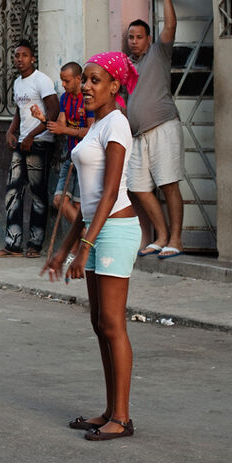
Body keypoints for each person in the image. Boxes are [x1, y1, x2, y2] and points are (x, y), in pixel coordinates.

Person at [42, 52, 141, 441]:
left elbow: (111, 193)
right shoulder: (97, 124)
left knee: (113, 324)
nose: (85, 86)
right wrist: (64, 250)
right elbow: (87, 200)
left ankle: (123, 417)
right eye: (84, 79)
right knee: (99, 324)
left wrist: (84, 248)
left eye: (95, 80)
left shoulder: (116, 124)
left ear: (114, 86)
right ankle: (110, 410)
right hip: (97, 229)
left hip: (115, 231)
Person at [126, 0, 185, 260]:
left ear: (149, 39)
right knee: (137, 187)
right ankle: (160, 237)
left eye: (139, 37)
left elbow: (171, 25)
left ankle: (176, 239)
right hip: (138, 136)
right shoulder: (127, 66)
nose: (134, 41)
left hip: (163, 127)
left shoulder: (159, 53)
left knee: (169, 183)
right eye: (131, 37)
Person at [0, 40, 59, 258]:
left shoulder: (42, 80)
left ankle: (35, 245)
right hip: (22, 142)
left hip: (40, 142)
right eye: (16, 55)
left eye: (24, 55)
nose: (19, 59)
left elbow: (53, 111)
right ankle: (13, 245)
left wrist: (32, 135)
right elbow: (19, 113)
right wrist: (11, 132)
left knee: (38, 194)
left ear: (33, 59)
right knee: (13, 192)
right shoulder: (18, 83)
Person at [32, 61, 95, 230]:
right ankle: (85, 236)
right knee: (59, 200)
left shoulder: (88, 99)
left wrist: (65, 129)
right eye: (62, 81)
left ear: (78, 79)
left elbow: (91, 131)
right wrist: (43, 119)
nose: (63, 85)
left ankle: (81, 242)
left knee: (79, 206)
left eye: (67, 81)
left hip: (86, 159)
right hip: (71, 156)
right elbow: (60, 125)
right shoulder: (65, 98)